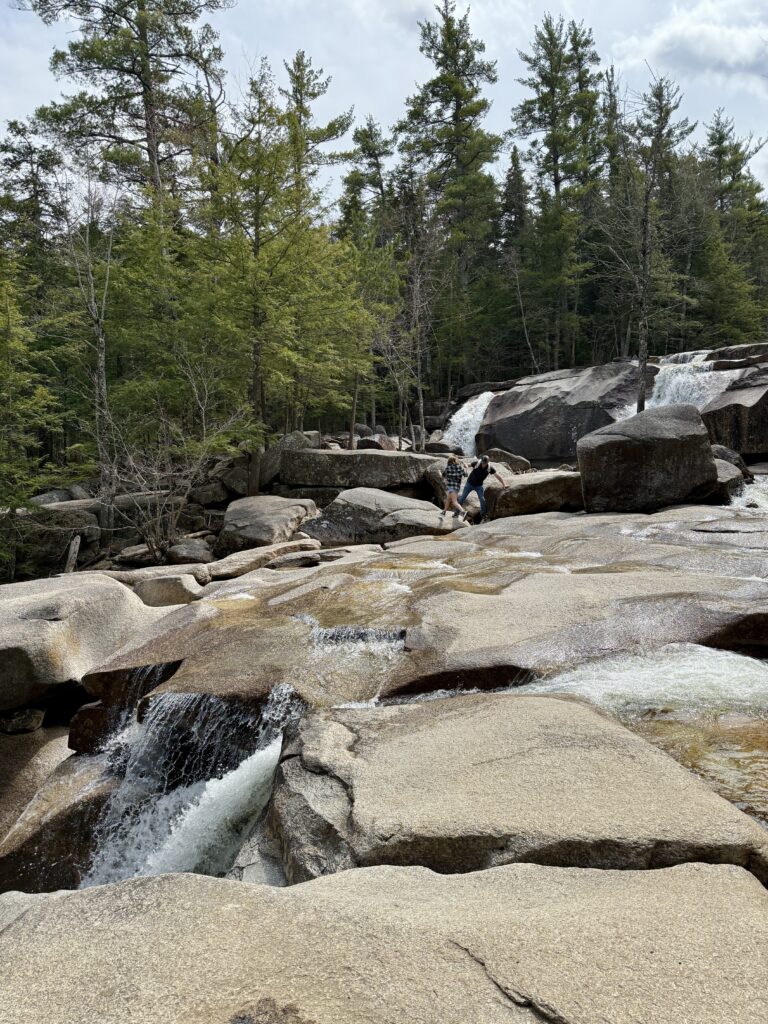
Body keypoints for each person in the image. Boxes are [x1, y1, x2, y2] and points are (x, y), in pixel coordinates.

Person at [460, 454, 501, 520]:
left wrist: (504, 484)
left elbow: (497, 476)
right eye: (482, 462)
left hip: (479, 486)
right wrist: (466, 465)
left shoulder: (490, 468)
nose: (483, 464)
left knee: (482, 499)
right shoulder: (477, 463)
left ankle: (483, 514)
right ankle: (457, 511)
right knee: (463, 497)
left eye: (484, 463)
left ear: (487, 462)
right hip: (469, 484)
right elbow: (468, 464)